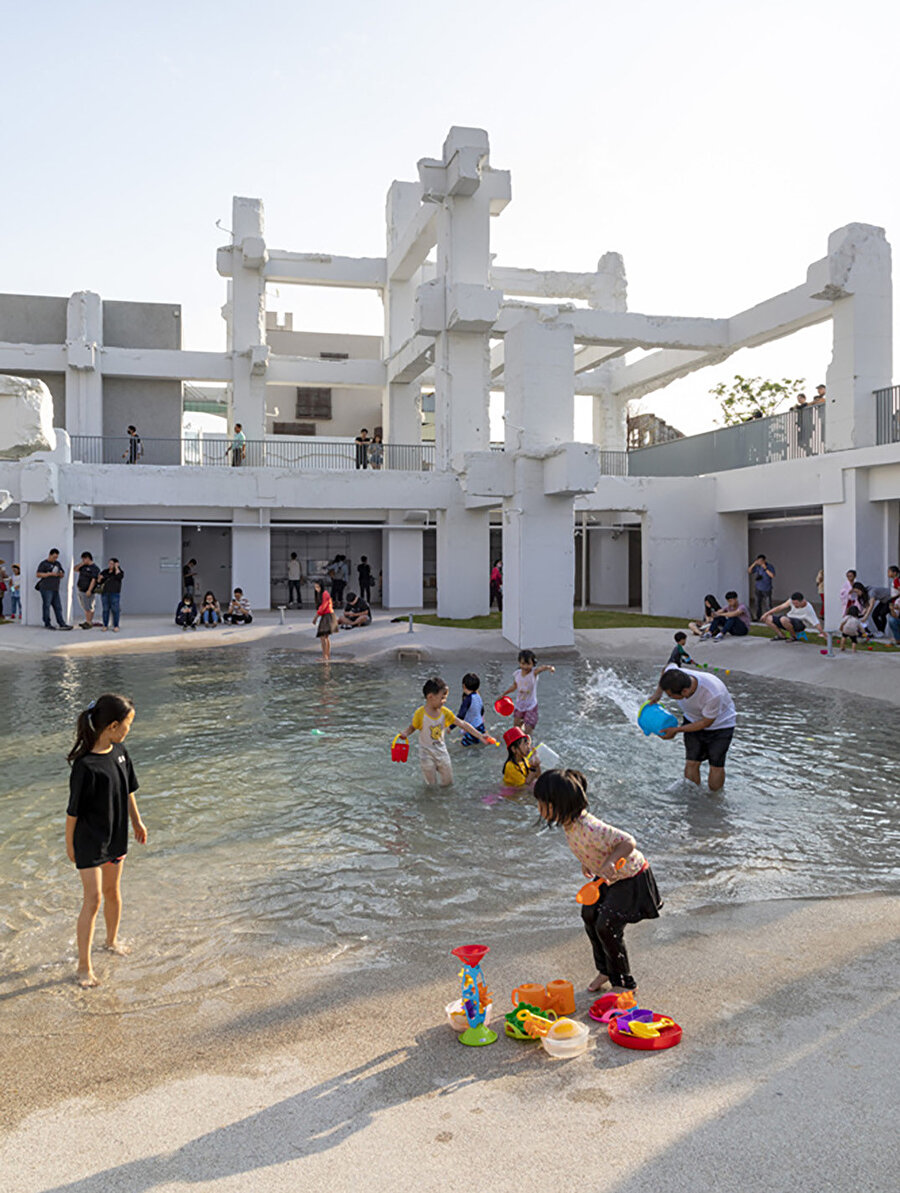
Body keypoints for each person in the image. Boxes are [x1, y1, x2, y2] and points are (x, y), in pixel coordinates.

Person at [534, 768, 662, 993]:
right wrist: (588, 861)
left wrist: (611, 862)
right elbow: (589, 846)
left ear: (559, 804)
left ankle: (624, 983)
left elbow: (628, 842)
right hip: (605, 878)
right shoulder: (570, 824)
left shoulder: (590, 827)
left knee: (608, 925)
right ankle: (606, 970)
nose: (539, 808)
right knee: (590, 914)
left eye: (543, 803)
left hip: (630, 876)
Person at [65, 693, 147, 988]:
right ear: (113, 726)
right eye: (128, 724)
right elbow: (73, 811)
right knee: (94, 899)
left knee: (113, 892)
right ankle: (83, 967)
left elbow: (128, 790)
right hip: (88, 841)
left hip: (116, 838)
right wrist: (69, 844)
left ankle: (111, 941)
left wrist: (136, 821)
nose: (129, 729)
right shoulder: (84, 766)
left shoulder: (121, 751)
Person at [648, 664, 737, 791]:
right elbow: (666, 668)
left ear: (684, 691)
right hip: (692, 719)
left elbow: (705, 723)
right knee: (692, 762)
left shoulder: (712, 694)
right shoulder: (676, 674)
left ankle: (715, 800)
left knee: (716, 765)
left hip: (721, 726)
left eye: (671, 695)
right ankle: (693, 802)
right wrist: (658, 693)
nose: (671, 698)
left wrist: (676, 730)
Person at [396, 676, 491, 786]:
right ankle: (433, 802)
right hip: (426, 753)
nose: (444, 701)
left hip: (441, 752)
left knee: (448, 783)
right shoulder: (420, 713)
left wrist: (480, 735)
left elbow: (462, 723)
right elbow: (413, 726)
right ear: (430, 697)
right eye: (442, 698)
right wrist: (405, 734)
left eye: (445, 697)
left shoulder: (445, 713)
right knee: (431, 785)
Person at [497, 650, 555, 731]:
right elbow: (514, 686)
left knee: (528, 729)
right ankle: (519, 742)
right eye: (523, 664)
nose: (525, 667)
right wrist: (504, 694)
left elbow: (542, 668)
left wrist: (550, 668)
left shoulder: (533, 673)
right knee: (516, 728)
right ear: (519, 663)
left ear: (533, 664)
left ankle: (529, 741)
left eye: (528, 664)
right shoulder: (517, 674)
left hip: (531, 706)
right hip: (519, 705)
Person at [36, 548, 73, 630]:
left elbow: (62, 574)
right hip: (46, 588)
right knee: (47, 605)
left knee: (58, 606)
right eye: (54, 557)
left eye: (56, 557)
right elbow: (38, 574)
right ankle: (47, 623)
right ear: (50, 555)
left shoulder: (57, 564)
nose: (55, 559)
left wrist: (60, 574)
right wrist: (49, 574)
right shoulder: (44, 564)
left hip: (55, 588)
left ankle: (61, 623)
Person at [457, 672, 486, 746]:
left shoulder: (468, 699)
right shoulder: (478, 696)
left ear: (464, 686)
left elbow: (461, 716)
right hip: (480, 725)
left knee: (463, 745)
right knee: (478, 742)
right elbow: (482, 710)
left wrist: (450, 727)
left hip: (472, 728)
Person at [73, 551, 100, 629]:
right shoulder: (83, 567)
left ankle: (89, 622)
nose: (83, 561)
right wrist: (82, 564)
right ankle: (88, 621)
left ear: (88, 558)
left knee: (88, 607)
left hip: (87, 590)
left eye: (84, 559)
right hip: (81, 589)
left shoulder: (94, 568)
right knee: (85, 606)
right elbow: (75, 569)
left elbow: (93, 580)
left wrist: (89, 590)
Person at [312, 582, 338, 660]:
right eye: (315, 587)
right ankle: (326, 655)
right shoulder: (320, 594)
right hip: (326, 615)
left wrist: (316, 617)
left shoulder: (325, 594)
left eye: (318, 587)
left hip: (328, 615)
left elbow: (324, 606)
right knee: (325, 637)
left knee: (323, 637)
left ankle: (325, 656)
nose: (316, 589)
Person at [98, 558, 125, 632]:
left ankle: (116, 625)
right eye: (109, 563)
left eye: (112, 564)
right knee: (105, 610)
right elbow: (99, 582)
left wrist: (116, 567)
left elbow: (119, 576)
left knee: (115, 610)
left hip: (114, 593)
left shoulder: (119, 572)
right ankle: (105, 625)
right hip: (105, 593)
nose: (110, 565)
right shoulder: (105, 571)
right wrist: (99, 579)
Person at [748, 555, 776, 621]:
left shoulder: (769, 566)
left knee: (768, 605)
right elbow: (749, 571)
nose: (760, 562)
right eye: (758, 561)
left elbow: (772, 575)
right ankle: (758, 617)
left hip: (767, 588)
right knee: (757, 604)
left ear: (764, 560)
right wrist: (754, 564)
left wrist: (765, 568)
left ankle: (771, 618)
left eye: (761, 561)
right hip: (758, 588)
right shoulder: (757, 567)